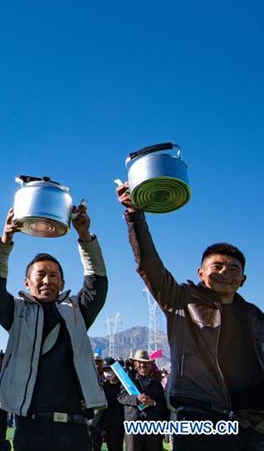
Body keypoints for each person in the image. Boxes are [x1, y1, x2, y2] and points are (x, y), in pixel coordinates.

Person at [117, 182, 264, 450]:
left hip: (252, 424)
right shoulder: (180, 300)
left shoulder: (255, 316)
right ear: (201, 273)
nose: (224, 273)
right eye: (216, 266)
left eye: (233, 269)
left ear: (243, 279)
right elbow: (149, 266)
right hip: (198, 417)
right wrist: (134, 216)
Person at [0, 204, 107, 451]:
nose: (47, 280)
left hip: (76, 429)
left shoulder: (77, 311)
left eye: (53, 275)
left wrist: (85, 236)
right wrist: (5, 241)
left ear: (63, 282)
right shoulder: (16, 312)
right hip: (31, 429)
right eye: (40, 275)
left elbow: (97, 282)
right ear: (27, 282)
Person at [117, 350, 168, 451]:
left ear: (150, 365)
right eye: (140, 362)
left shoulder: (157, 383)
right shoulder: (128, 380)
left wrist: (153, 403)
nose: (142, 365)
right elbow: (121, 397)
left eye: (145, 363)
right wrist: (136, 399)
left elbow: (163, 405)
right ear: (135, 364)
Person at [91, 358, 124, 451]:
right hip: (98, 424)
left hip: (115, 426)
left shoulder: (123, 387)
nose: (108, 372)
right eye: (105, 370)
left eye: (110, 370)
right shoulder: (102, 385)